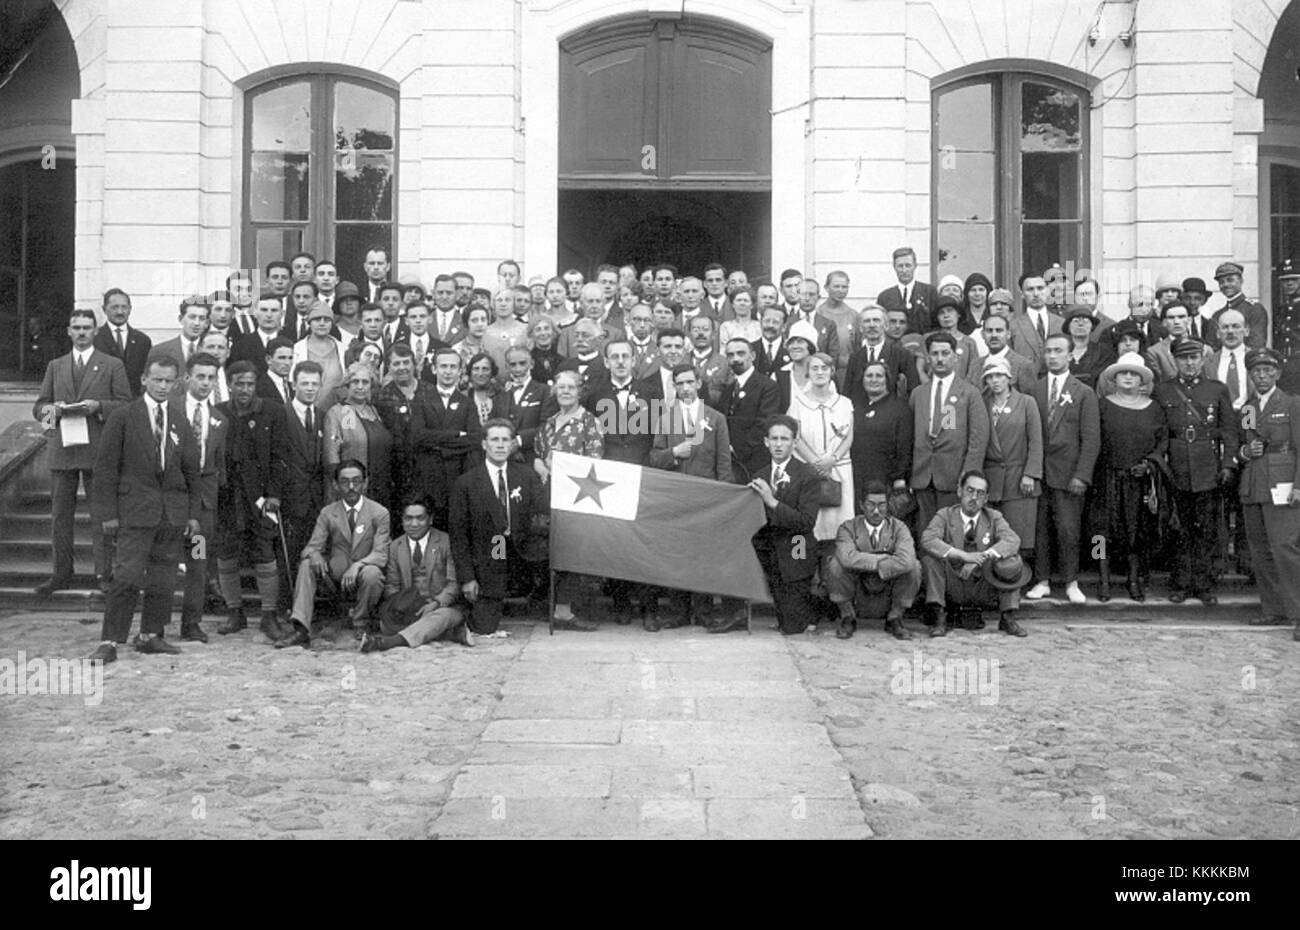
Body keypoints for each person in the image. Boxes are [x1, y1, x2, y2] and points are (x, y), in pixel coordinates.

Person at [88, 356, 201, 665]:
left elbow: (191, 471)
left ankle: (151, 634)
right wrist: (107, 514)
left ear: (177, 383)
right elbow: (106, 470)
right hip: (133, 511)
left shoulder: (179, 421)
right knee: (125, 576)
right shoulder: (123, 417)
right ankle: (110, 640)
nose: (163, 386)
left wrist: (191, 514)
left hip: (171, 513)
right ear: (144, 380)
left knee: (163, 580)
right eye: (157, 380)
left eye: (169, 381)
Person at [34, 308, 133, 596]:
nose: (80, 333)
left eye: (86, 328)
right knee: (60, 516)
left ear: (95, 332)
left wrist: (98, 407)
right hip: (63, 449)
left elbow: (126, 404)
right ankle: (61, 574)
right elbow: (40, 406)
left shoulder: (112, 364)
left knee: (102, 515)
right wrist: (50, 413)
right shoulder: (56, 365)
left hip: (98, 449)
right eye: (76, 327)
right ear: (68, 331)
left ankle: (104, 574)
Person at [1152, 335, 1238, 604]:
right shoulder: (1163, 390)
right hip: (1176, 467)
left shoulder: (1217, 389)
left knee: (1206, 529)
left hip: (1207, 466)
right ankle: (1180, 582)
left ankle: (1203, 584)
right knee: (1179, 529)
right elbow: (1159, 432)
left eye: (1194, 357)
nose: (1189, 363)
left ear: (1202, 359)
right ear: (1175, 360)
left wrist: (1227, 465)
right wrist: (1161, 465)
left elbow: (1230, 432)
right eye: (1183, 358)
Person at [648, 362, 733, 628]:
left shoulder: (716, 418)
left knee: (703, 555)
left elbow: (723, 465)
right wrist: (674, 453)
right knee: (676, 554)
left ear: (698, 383)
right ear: (673, 386)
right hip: (675, 498)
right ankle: (679, 611)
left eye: (689, 382)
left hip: (706, 499)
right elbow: (654, 458)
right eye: (679, 383)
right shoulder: (665, 418)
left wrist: (723, 503)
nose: (685, 388)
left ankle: (704, 611)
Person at [717, 415, 818, 635]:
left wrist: (771, 501)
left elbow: (806, 522)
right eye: (774, 439)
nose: (779, 444)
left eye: (784, 439)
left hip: (796, 547)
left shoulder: (807, 474)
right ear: (766, 442)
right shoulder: (760, 475)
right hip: (771, 549)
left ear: (794, 442)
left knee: (793, 627)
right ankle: (738, 614)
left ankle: (803, 607)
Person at [449, 419, 549, 634]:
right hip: (491, 556)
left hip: (523, 552)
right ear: (484, 444)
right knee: (484, 627)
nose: (501, 445)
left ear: (513, 444)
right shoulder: (466, 483)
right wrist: (467, 578)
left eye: (506, 440)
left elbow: (542, 514)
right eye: (495, 439)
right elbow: (459, 537)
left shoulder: (526, 475)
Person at [277, 460, 390, 649]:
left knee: (373, 573)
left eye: (356, 481)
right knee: (306, 564)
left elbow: (381, 554)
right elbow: (310, 547)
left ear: (365, 482)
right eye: (345, 482)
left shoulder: (379, 513)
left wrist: (357, 565)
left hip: (362, 575)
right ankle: (301, 628)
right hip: (335, 575)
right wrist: (314, 555)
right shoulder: (328, 512)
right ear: (335, 485)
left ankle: (361, 623)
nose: (351, 487)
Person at [214, 360, 289, 640]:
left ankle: (269, 615)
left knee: (264, 552)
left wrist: (274, 494)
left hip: (261, 499)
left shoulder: (272, 411)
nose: (244, 389)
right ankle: (235, 611)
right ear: (230, 385)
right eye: (239, 384)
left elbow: (281, 456)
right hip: (227, 497)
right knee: (226, 552)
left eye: (250, 384)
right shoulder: (218, 413)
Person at [1025, 334, 1100, 605]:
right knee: (1040, 529)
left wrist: (1082, 475)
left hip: (1069, 475)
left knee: (1068, 530)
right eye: (1048, 351)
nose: (1052, 356)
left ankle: (1071, 581)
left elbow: (1091, 439)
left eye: (1058, 351)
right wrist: (1030, 471)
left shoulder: (1083, 392)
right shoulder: (1034, 389)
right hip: (1039, 472)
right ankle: (1042, 580)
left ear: (1070, 356)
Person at [1234, 348, 1300, 636]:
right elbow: (1243, 444)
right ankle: (1274, 610)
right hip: (1254, 484)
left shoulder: (1292, 404)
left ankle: (1298, 613)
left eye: (1267, 371)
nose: (1261, 376)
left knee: (1285, 549)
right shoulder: (1248, 408)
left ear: (1277, 374)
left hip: (1283, 484)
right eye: (1256, 371)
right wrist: (1245, 451)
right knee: (1260, 552)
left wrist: (1298, 485)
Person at [919, 469, 1029, 637]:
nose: (974, 497)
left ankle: (1008, 616)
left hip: (983, 584)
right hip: (952, 582)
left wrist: (981, 558)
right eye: (970, 490)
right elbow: (928, 539)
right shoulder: (945, 515)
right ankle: (939, 616)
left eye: (980, 493)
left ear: (985, 499)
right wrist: (963, 556)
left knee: (1012, 561)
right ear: (959, 491)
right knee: (930, 560)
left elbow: (1012, 540)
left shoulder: (993, 517)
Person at [534, 369, 603, 632]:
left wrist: (561, 467)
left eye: (570, 387)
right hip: (548, 494)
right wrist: (541, 465)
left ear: (580, 391)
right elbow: (539, 454)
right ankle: (554, 607)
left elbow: (594, 461)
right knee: (551, 549)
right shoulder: (549, 422)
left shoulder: (589, 422)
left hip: (576, 496)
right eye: (560, 387)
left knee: (572, 552)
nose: (565, 392)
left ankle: (566, 610)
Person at [1097, 352, 1165, 602]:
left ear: (1141, 380)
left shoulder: (1154, 408)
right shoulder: (1102, 404)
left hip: (1138, 480)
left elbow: (1162, 442)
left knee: (1135, 531)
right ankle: (1102, 578)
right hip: (1106, 478)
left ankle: (1133, 578)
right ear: (1115, 378)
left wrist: (1149, 465)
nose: (1128, 377)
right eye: (1123, 373)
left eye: (1133, 374)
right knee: (1100, 531)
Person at [363, 497, 471, 652]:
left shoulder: (446, 542)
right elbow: (392, 586)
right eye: (408, 518)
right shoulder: (395, 547)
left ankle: (388, 643)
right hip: (409, 610)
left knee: (443, 616)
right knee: (387, 624)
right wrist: (405, 607)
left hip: (442, 607)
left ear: (431, 519)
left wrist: (435, 603)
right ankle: (446, 632)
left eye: (420, 518)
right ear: (402, 520)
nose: (414, 524)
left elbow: (453, 584)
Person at [909, 332, 990, 537]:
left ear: (955, 356)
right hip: (923, 475)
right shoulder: (918, 393)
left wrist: (969, 475)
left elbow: (978, 438)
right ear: (928, 358)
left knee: (952, 534)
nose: (940, 358)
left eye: (945, 353)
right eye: (935, 353)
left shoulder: (969, 393)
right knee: (926, 534)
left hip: (954, 476)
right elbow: (910, 436)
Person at [173, 352, 229, 644]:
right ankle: (154, 623)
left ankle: (191, 623)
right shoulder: (169, 410)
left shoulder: (218, 419)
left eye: (211, 378)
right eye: (200, 376)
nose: (205, 383)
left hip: (203, 507)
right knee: (164, 560)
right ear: (187, 378)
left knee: (198, 563)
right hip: (170, 501)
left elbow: (218, 465)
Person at [826, 481, 921, 640]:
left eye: (882, 505)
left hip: (888, 588)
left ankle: (895, 618)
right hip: (858, 588)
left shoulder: (899, 528)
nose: (876, 511)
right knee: (836, 564)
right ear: (861, 505)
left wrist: (865, 561)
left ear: (888, 505)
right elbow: (846, 558)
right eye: (870, 505)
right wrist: (880, 559)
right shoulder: (848, 527)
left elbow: (906, 561)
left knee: (915, 567)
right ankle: (847, 616)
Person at [980, 356, 1042, 576]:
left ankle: (1018, 582)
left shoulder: (1026, 402)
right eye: (990, 377)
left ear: (1009, 377)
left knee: (1019, 536)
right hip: (991, 479)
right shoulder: (981, 403)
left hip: (1019, 479)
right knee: (991, 537)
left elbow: (1036, 441)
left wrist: (1031, 474)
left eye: (999, 375)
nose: (995, 381)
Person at [790, 353, 854, 549]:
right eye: (815, 368)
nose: (820, 372)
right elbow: (796, 437)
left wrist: (832, 460)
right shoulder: (798, 404)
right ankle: (805, 568)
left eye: (824, 368)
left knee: (839, 529)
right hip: (810, 470)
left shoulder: (844, 403)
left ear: (832, 371)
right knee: (809, 526)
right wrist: (816, 463)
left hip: (838, 468)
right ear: (808, 372)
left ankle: (834, 573)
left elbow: (849, 436)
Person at [417, 348, 483, 530]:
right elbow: (419, 436)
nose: (448, 371)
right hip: (429, 474)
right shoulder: (421, 400)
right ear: (434, 369)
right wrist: (455, 434)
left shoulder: (467, 403)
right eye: (443, 366)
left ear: (460, 370)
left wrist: (439, 445)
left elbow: (474, 439)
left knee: (456, 525)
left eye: (453, 367)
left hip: (458, 473)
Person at [280, 361, 327, 604]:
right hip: (290, 499)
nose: (310, 388)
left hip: (316, 499)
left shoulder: (322, 416)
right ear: (293, 384)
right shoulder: (281, 414)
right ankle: (287, 605)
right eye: (304, 383)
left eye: (314, 384)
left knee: (312, 552)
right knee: (289, 553)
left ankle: (309, 605)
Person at [323, 362, 392, 512]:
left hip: (380, 487)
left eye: (365, 382)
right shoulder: (341, 412)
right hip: (352, 491)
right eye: (355, 382)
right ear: (347, 385)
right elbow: (332, 456)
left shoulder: (373, 410)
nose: (360, 386)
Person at [718, 338, 782, 482]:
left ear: (752, 356)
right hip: (730, 460)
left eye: (741, 353)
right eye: (730, 355)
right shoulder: (728, 389)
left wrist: (737, 449)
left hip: (756, 460)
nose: (735, 359)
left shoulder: (767, 386)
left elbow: (765, 423)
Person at [849, 359, 913, 495]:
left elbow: (905, 448)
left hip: (886, 482)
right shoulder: (855, 407)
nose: (874, 380)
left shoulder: (900, 408)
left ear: (887, 380)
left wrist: (899, 478)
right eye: (869, 376)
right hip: (856, 479)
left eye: (879, 376)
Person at [843, 304, 919, 403]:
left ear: (886, 326)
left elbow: (913, 390)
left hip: (892, 414)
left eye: (876, 320)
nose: (872, 325)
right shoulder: (855, 357)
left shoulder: (902, 355)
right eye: (867, 321)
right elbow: (847, 393)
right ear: (861, 328)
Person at [93, 288, 151, 394]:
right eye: (114, 307)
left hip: (133, 402)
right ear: (104, 309)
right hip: (104, 403)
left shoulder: (142, 340)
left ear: (130, 309)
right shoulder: (94, 339)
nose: (120, 312)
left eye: (124, 307)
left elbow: (147, 374)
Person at [292, 301, 347, 410]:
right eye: (317, 319)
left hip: (337, 410)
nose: (322, 323)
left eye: (326, 320)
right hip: (305, 410)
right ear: (309, 322)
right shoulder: (296, 350)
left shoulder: (344, 349)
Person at [1008, 274, 1064, 376]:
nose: (1036, 294)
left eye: (1040, 288)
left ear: (1047, 291)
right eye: (1030, 289)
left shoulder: (1061, 324)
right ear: (1022, 294)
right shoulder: (1013, 326)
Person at [969, 312, 1036, 394]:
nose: (994, 335)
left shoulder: (1023, 365)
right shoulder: (975, 365)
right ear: (982, 335)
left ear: (1008, 334)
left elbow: (1028, 401)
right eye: (989, 331)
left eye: (999, 330)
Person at [876, 246, 935, 334]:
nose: (904, 270)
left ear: (915, 266)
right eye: (900, 266)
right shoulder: (884, 297)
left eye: (908, 265)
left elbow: (935, 324)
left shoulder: (930, 292)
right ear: (894, 267)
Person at [1211, 261, 1268, 350]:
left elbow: (1257, 343)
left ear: (1241, 281)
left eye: (1230, 280)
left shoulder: (1254, 309)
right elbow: (1213, 346)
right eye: (1221, 282)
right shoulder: (1217, 315)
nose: (1225, 285)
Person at [1062, 305, 1113, 390]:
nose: (1080, 324)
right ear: (1068, 327)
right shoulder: (1060, 352)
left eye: (1085, 320)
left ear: (1092, 326)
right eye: (1075, 321)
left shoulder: (1103, 352)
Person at [928, 295, 979, 381]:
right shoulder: (929, 339)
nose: (946, 315)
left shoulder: (969, 342)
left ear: (958, 314)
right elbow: (921, 369)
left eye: (950, 311)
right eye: (941, 313)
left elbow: (974, 371)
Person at [484, 289, 529, 372]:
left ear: (514, 304)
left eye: (507, 300)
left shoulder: (525, 329)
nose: (503, 304)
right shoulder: (485, 332)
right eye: (499, 300)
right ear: (493, 304)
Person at [775, 321, 817, 411]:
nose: (794, 346)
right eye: (791, 342)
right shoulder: (779, 375)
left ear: (810, 346)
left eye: (800, 342)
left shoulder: (824, 374)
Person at [465, 352, 503, 431]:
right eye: (476, 369)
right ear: (470, 372)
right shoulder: (463, 397)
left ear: (492, 372)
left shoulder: (502, 395)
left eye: (485, 369)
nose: (480, 374)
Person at [527, 315, 563, 386]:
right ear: (531, 334)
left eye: (546, 328)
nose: (543, 333)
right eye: (538, 329)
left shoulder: (563, 361)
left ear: (553, 332)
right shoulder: (527, 361)